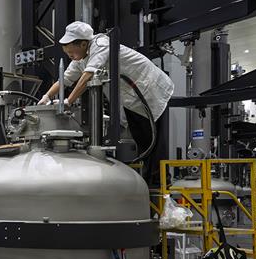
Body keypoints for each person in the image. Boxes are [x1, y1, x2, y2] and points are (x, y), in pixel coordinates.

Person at [39, 21, 174, 181]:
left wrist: (69, 101)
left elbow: (88, 76)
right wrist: (46, 96)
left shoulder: (100, 44)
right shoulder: (80, 59)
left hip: (150, 89)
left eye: (71, 52)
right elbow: (65, 79)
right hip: (132, 98)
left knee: (153, 139)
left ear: (83, 44)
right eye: (67, 53)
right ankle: (149, 180)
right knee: (141, 138)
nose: (70, 56)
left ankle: (160, 182)